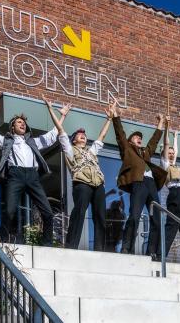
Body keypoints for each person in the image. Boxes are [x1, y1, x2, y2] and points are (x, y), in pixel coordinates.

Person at [0, 99, 71, 246]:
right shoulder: (6, 141)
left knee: (47, 212)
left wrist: (63, 116)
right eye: (18, 123)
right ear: (12, 128)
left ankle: (47, 244)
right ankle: (2, 241)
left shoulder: (33, 141)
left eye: (23, 123)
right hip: (15, 176)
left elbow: (53, 135)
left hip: (32, 177)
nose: (22, 124)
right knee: (9, 211)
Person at [44, 99, 114, 250]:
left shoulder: (91, 152)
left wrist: (109, 119)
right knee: (79, 212)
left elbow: (101, 136)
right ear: (74, 139)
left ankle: (99, 248)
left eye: (84, 134)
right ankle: (71, 245)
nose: (83, 135)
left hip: (98, 184)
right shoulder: (70, 150)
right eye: (80, 134)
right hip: (82, 184)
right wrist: (53, 111)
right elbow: (61, 131)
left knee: (100, 216)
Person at [111, 105, 167, 258]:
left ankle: (151, 251)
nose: (139, 138)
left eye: (140, 137)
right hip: (139, 183)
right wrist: (115, 116)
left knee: (156, 219)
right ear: (129, 142)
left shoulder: (145, 154)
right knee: (134, 216)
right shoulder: (127, 150)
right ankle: (126, 247)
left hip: (151, 185)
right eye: (136, 137)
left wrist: (161, 123)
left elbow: (153, 142)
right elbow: (120, 134)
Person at [156, 124, 180, 264]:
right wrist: (167, 129)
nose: (172, 154)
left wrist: (176, 138)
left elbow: (176, 149)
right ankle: (160, 253)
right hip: (175, 193)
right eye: (170, 153)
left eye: (173, 153)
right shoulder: (165, 164)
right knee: (172, 225)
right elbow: (167, 145)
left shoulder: (176, 165)